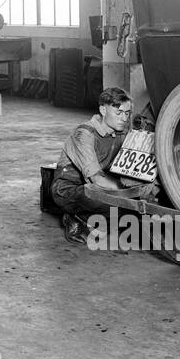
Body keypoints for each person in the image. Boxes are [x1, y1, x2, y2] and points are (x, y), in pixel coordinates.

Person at [49, 86, 160, 242]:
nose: (124, 118)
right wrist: (130, 193)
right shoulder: (84, 134)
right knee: (125, 209)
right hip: (71, 188)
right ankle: (77, 219)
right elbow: (96, 179)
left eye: (127, 113)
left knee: (134, 209)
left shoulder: (122, 132)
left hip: (101, 185)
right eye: (118, 113)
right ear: (103, 110)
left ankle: (100, 221)